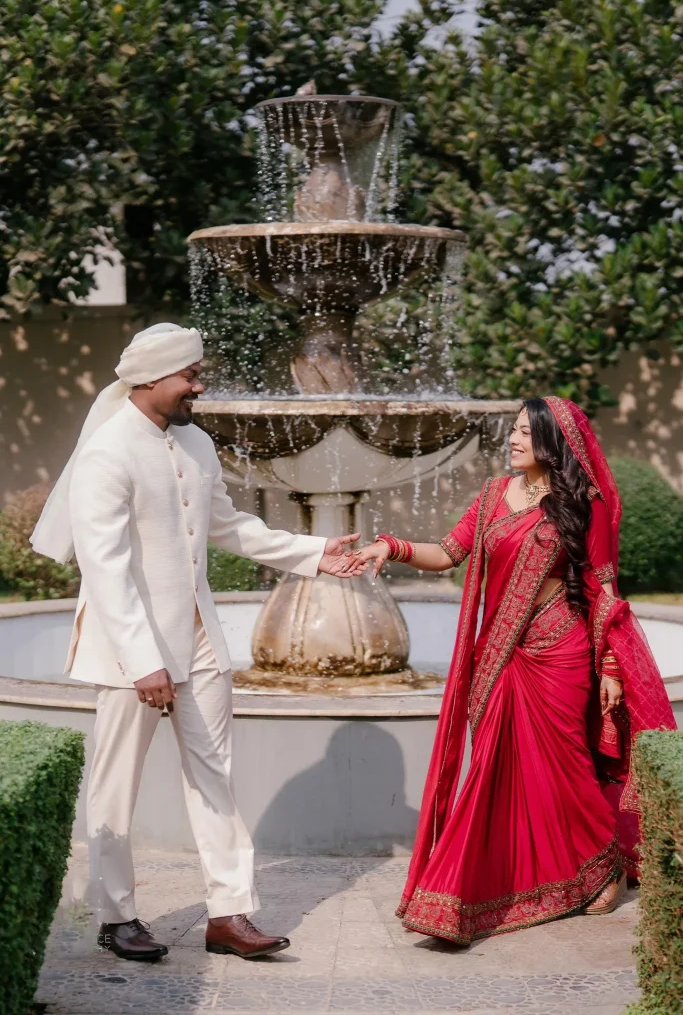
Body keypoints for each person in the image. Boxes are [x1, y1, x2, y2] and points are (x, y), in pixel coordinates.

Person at [31, 323, 367, 962]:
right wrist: (144, 662)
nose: (199, 386)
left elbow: (228, 526)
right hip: (130, 651)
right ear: (150, 378)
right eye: (189, 375)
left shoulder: (196, 442)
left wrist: (313, 552)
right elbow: (105, 571)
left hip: (200, 637)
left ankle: (228, 915)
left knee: (215, 775)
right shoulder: (107, 452)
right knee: (115, 785)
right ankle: (116, 916)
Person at [353, 397, 676, 945]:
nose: (514, 439)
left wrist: (612, 667)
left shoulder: (585, 503)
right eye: (514, 429)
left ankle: (603, 865)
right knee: (493, 772)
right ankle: (465, 895)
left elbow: (604, 589)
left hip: (561, 650)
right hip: (500, 654)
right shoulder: (491, 496)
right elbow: (448, 552)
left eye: (527, 431)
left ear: (554, 440)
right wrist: (392, 546)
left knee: (567, 771)